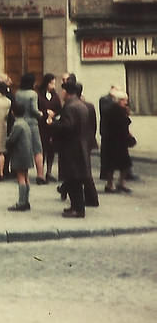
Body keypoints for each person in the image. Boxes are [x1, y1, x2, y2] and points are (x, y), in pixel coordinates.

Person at [51, 78, 91, 218]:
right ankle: (75, 206)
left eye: (63, 90)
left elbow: (67, 127)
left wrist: (53, 124)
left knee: (73, 179)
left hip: (71, 148)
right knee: (75, 179)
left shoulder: (70, 107)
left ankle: (78, 209)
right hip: (80, 145)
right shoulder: (80, 105)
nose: (61, 93)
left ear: (67, 92)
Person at [100, 88, 134, 194]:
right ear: (119, 100)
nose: (126, 102)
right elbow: (121, 124)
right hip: (113, 141)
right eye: (124, 100)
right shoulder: (114, 110)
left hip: (119, 141)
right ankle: (111, 184)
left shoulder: (120, 109)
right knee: (112, 164)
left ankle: (120, 183)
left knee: (124, 164)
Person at [13, 73, 46, 184]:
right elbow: (34, 109)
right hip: (32, 123)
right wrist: (41, 114)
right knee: (38, 149)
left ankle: (22, 174)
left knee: (22, 148)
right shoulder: (33, 94)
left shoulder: (17, 93)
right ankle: (40, 175)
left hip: (20, 121)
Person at [5, 102, 34, 211]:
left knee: (21, 177)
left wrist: (6, 140)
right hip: (27, 153)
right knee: (26, 177)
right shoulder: (25, 124)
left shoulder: (17, 125)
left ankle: (21, 202)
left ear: (13, 112)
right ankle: (26, 200)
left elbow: (12, 140)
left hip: (19, 153)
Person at [37, 73, 61, 181]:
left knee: (51, 149)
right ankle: (40, 171)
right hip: (42, 125)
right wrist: (45, 112)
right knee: (42, 148)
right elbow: (37, 108)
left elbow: (59, 108)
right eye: (51, 83)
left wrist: (54, 113)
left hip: (52, 125)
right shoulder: (39, 95)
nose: (53, 86)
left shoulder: (55, 96)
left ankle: (49, 171)